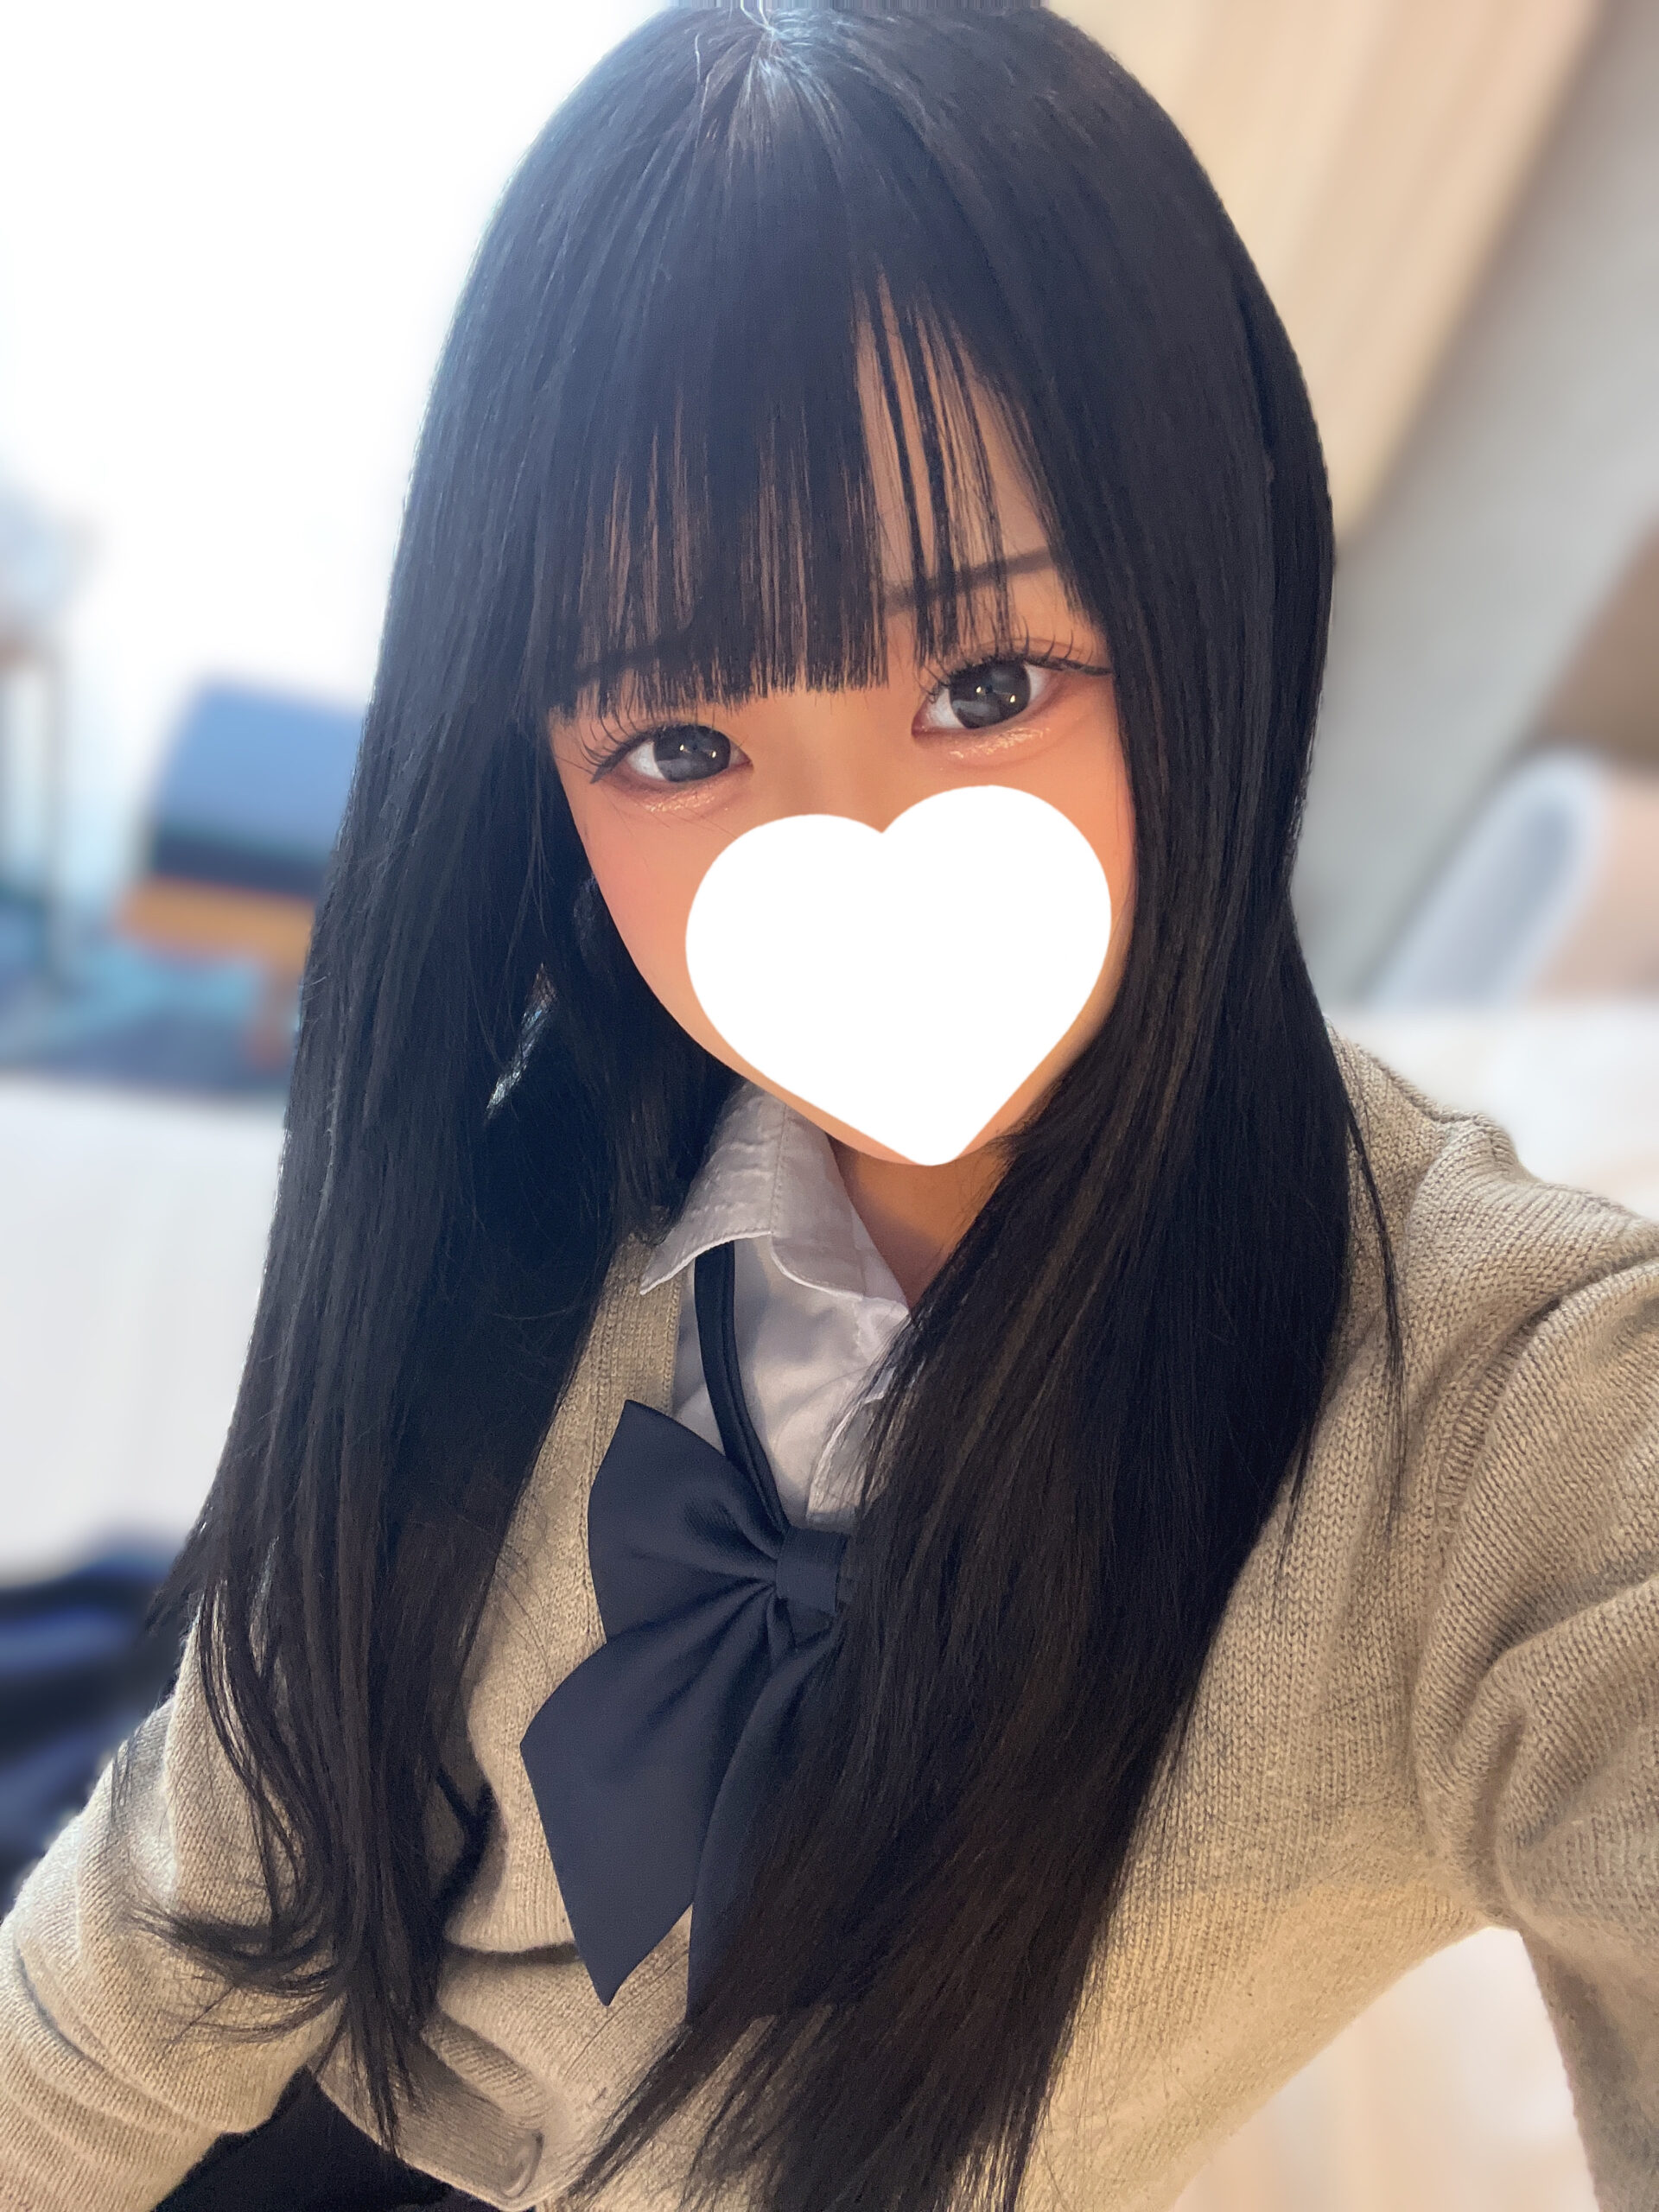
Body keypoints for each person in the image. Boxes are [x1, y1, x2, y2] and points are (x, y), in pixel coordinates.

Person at [3, 2, 1656, 2208]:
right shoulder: (514, 1192)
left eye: (990, 680)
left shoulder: (1505, 1415)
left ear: (1217, 604)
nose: (849, 854)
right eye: (677, 743)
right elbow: (172, 1937)